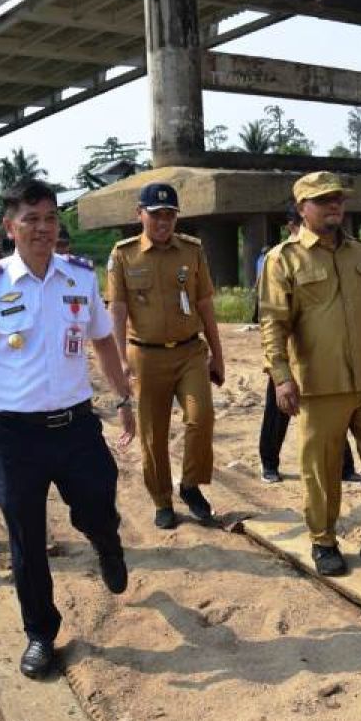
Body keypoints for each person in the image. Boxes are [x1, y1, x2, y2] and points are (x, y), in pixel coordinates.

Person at [0, 180, 136, 680]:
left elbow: (104, 344)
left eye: (50, 218)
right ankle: (40, 635)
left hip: (76, 428)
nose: (43, 228)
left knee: (98, 502)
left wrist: (123, 398)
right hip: (15, 437)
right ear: (10, 227)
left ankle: (105, 541)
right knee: (25, 539)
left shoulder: (79, 277)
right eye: (31, 219)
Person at [259, 171, 361, 579]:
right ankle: (323, 540)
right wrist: (281, 376)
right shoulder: (284, 259)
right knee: (321, 468)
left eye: (338, 199)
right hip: (319, 385)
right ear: (301, 208)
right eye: (323, 200)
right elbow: (273, 322)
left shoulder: (360, 254)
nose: (334, 206)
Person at [107, 183, 224, 530]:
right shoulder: (123, 255)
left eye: (169, 215)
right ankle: (162, 500)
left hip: (190, 351)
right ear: (139, 214)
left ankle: (189, 485)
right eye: (155, 215)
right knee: (153, 435)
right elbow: (117, 309)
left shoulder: (192, 251)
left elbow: (204, 304)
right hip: (146, 356)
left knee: (201, 418)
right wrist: (120, 360)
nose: (163, 222)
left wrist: (218, 355)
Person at [256, 203, 361, 485]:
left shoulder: (332, 254)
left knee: (335, 410)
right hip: (290, 350)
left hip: (321, 353)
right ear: (294, 225)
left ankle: (345, 466)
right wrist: (277, 364)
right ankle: (269, 462)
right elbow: (271, 314)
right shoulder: (279, 258)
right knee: (278, 409)